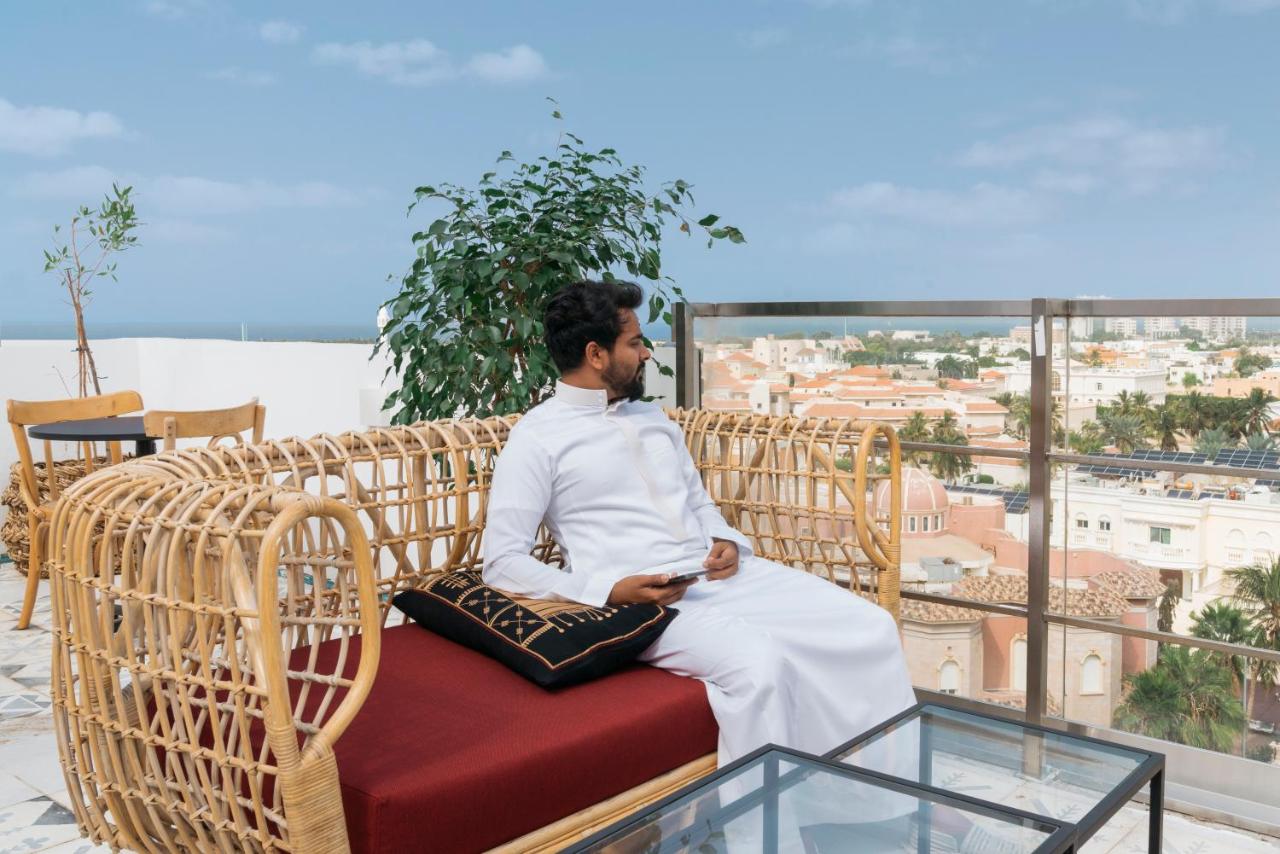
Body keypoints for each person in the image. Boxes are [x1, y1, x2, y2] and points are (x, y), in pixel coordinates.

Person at [481, 279, 916, 769]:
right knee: (759, 664)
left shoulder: (653, 419)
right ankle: (771, 816)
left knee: (872, 626)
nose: (646, 353)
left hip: (718, 578)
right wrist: (611, 591)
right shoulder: (537, 439)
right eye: (635, 343)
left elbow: (699, 504)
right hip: (643, 608)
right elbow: (502, 562)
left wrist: (726, 540)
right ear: (596, 354)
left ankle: (882, 800)